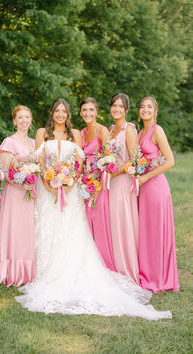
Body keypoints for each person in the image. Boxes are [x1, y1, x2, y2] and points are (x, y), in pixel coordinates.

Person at [15, 98, 171, 320]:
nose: (60, 114)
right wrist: (49, 182)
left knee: (72, 231)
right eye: (57, 111)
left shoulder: (75, 134)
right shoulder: (42, 132)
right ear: (52, 113)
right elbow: (40, 161)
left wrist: (70, 180)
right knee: (47, 227)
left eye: (64, 111)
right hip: (47, 188)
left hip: (73, 188)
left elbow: (78, 163)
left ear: (69, 115)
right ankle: (45, 271)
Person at [137, 96, 179, 293]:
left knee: (155, 231)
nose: (145, 110)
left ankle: (158, 277)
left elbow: (170, 161)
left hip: (155, 188)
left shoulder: (157, 130)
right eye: (142, 107)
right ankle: (146, 272)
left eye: (149, 107)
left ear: (155, 111)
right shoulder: (139, 132)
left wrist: (145, 178)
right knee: (145, 231)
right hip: (142, 189)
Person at [0, 105, 36, 287]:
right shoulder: (8, 142)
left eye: (27, 117)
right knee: (16, 228)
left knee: (29, 230)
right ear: (14, 121)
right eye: (20, 117)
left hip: (31, 192)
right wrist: (21, 183)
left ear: (31, 120)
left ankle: (29, 271)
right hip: (15, 193)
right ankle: (12, 271)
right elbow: (5, 171)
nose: (24, 120)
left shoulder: (35, 143)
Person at [80, 97, 115, 271]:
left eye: (91, 110)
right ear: (80, 113)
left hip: (100, 185)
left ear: (96, 112)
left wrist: (99, 187)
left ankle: (105, 265)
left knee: (100, 223)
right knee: (86, 223)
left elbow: (109, 161)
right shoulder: (80, 133)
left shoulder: (102, 131)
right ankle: (89, 265)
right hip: (85, 184)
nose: (88, 113)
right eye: (84, 110)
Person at [108, 93, 140, 284]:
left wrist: (114, 172)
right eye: (114, 106)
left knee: (122, 222)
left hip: (121, 181)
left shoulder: (129, 130)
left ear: (126, 110)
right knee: (112, 223)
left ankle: (126, 267)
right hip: (109, 182)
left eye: (121, 106)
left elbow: (135, 160)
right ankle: (114, 264)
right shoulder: (111, 129)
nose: (117, 109)